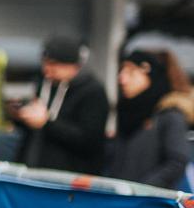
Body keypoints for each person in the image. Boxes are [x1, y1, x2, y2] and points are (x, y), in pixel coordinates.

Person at [10, 36, 109, 174]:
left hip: (70, 178)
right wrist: (21, 117)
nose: (47, 70)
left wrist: (46, 123)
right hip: (34, 169)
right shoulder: (44, 85)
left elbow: (89, 140)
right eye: (45, 63)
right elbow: (34, 132)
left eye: (53, 64)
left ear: (72, 66)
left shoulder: (92, 92)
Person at [104, 49, 194, 190]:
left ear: (150, 75)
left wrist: (142, 190)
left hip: (148, 204)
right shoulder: (126, 111)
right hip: (118, 200)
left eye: (131, 72)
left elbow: (177, 161)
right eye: (121, 71)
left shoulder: (170, 115)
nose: (122, 79)